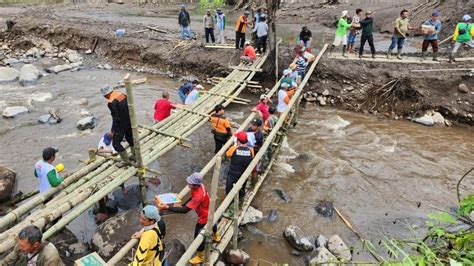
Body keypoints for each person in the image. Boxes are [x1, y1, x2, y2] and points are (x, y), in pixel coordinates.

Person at [158, 173, 220, 264]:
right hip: (209, 210)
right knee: (212, 222)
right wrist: (183, 204)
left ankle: (201, 256)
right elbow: (191, 198)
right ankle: (216, 236)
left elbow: (184, 211)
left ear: (195, 185)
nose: (188, 184)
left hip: (203, 215)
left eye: (190, 183)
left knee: (198, 236)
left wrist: (167, 207)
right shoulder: (200, 186)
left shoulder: (198, 197)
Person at [101, 85, 134, 167]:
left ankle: (126, 161)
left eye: (105, 96)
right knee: (130, 139)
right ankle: (135, 155)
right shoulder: (122, 95)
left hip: (121, 125)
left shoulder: (111, 102)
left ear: (106, 94)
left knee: (116, 144)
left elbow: (116, 119)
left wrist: (112, 131)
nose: (105, 97)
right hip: (129, 121)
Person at [224, 131, 254, 211]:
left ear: (238, 141)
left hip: (233, 173)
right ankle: (241, 201)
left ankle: (229, 205)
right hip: (244, 173)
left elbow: (227, 155)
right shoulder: (251, 150)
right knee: (242, 187)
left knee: (229, 189)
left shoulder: (233, 149)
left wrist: (234, 146)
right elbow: (251, 157)